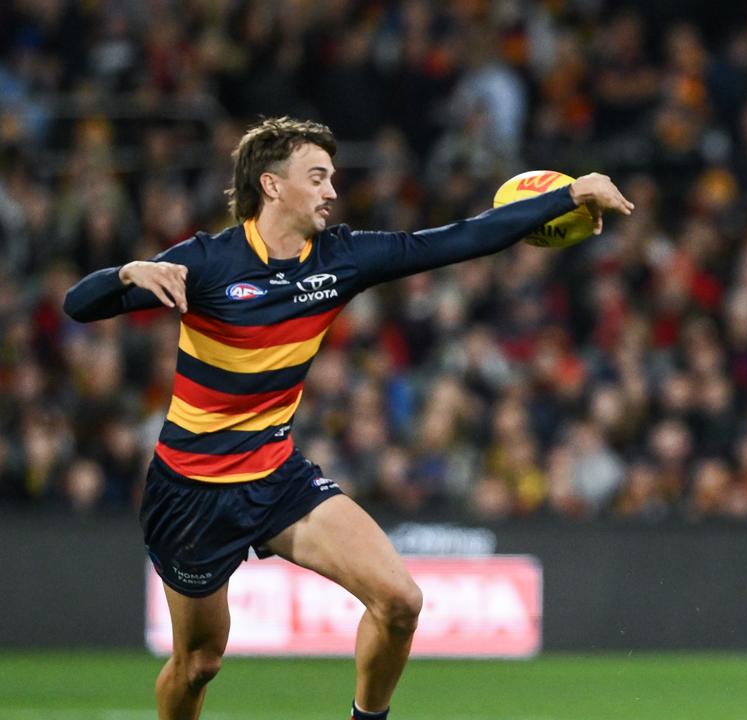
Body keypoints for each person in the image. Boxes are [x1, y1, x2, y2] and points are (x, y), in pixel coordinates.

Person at [62, 117, 633, 720]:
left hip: (276, 476)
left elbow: (459, 239)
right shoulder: (205, 263)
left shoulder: (341, 259)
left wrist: (569, 194)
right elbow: (78, 305)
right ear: (272, 185)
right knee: (199, 663)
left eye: (332, 176)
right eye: (317, 176)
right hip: (191, 490)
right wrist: (127, 272)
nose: (332, 190)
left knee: (400, 602)